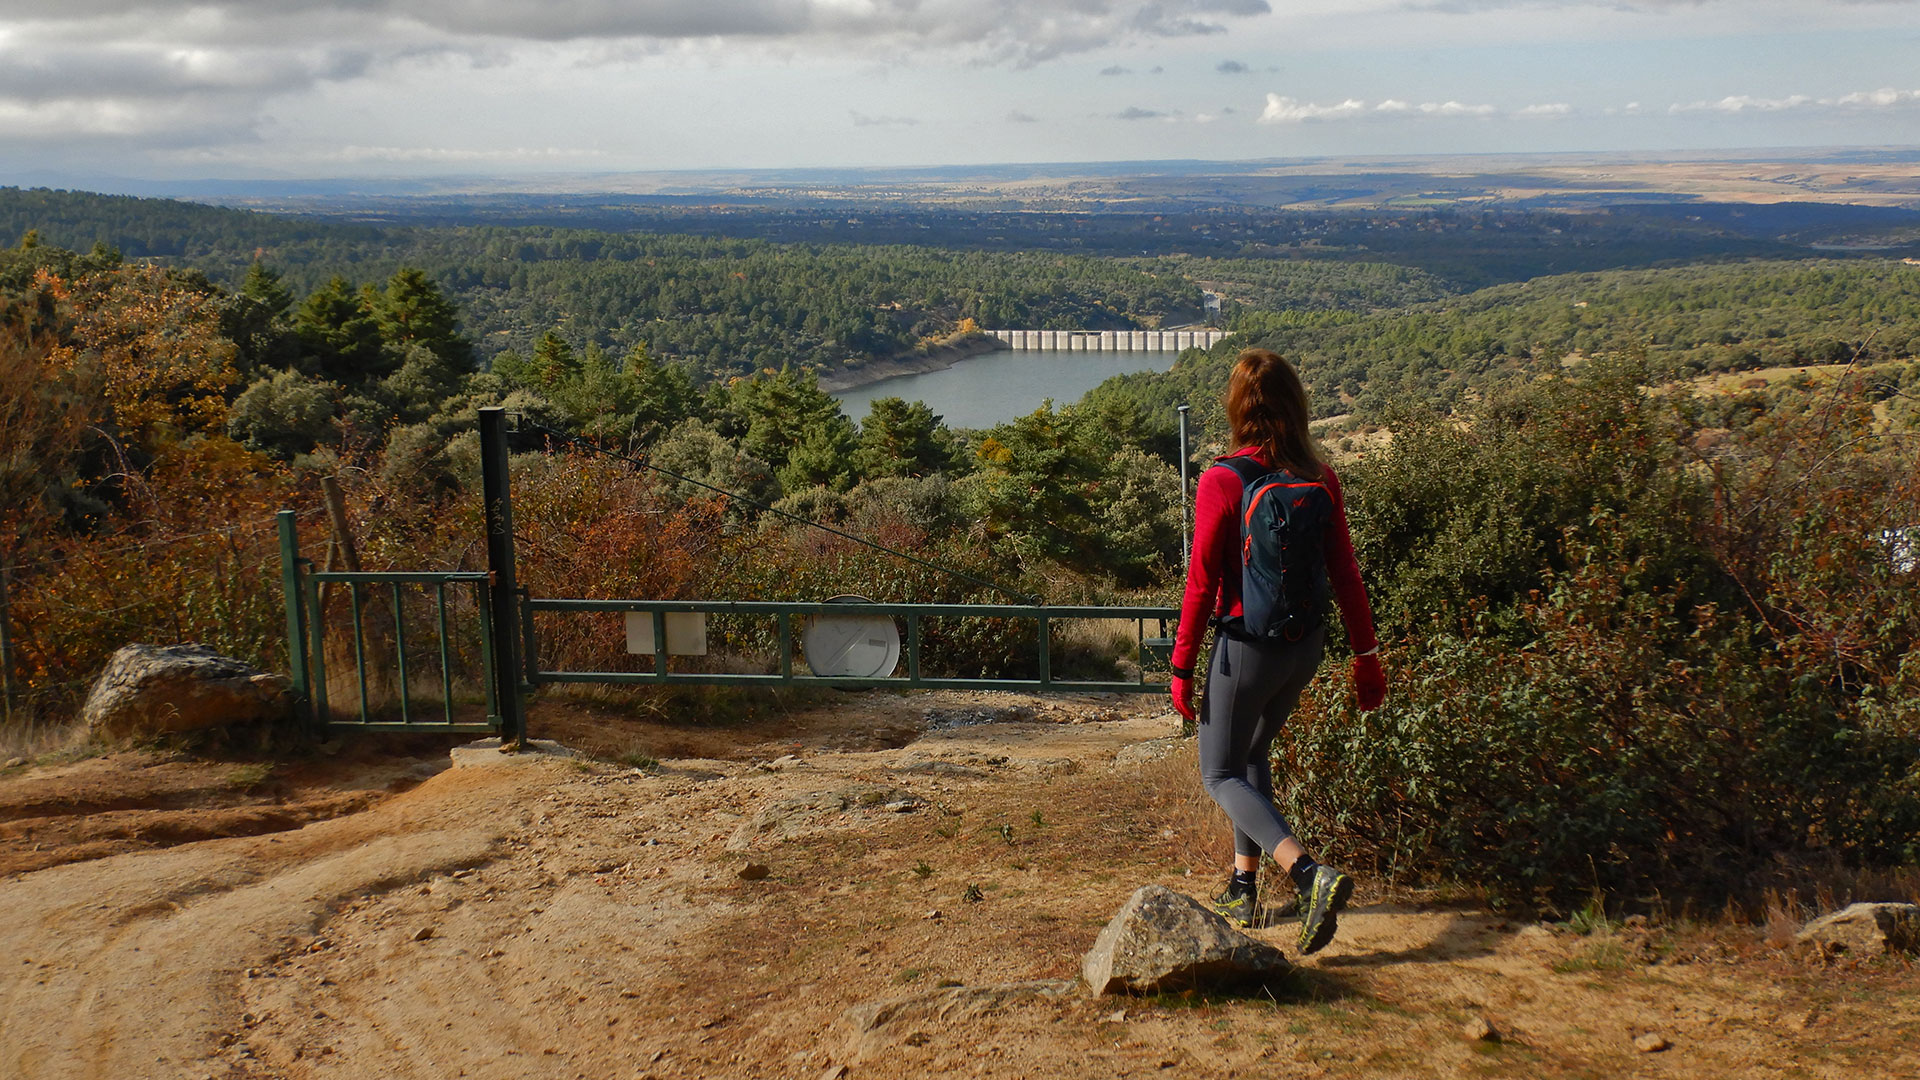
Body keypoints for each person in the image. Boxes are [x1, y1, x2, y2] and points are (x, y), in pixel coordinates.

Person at [1169, 348, 1386, 955]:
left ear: (1238, 408)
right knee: (1254, 752)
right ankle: (1243, 883)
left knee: (1218, 772)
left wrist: (1181, 666)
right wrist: (1366, 656)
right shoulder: (1319, 476)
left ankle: (1308, 873)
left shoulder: (1224, 477)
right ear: (1296, 404)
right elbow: (1346, 575)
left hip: (1246, 648)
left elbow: (1201, 582)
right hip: (1306, 646)